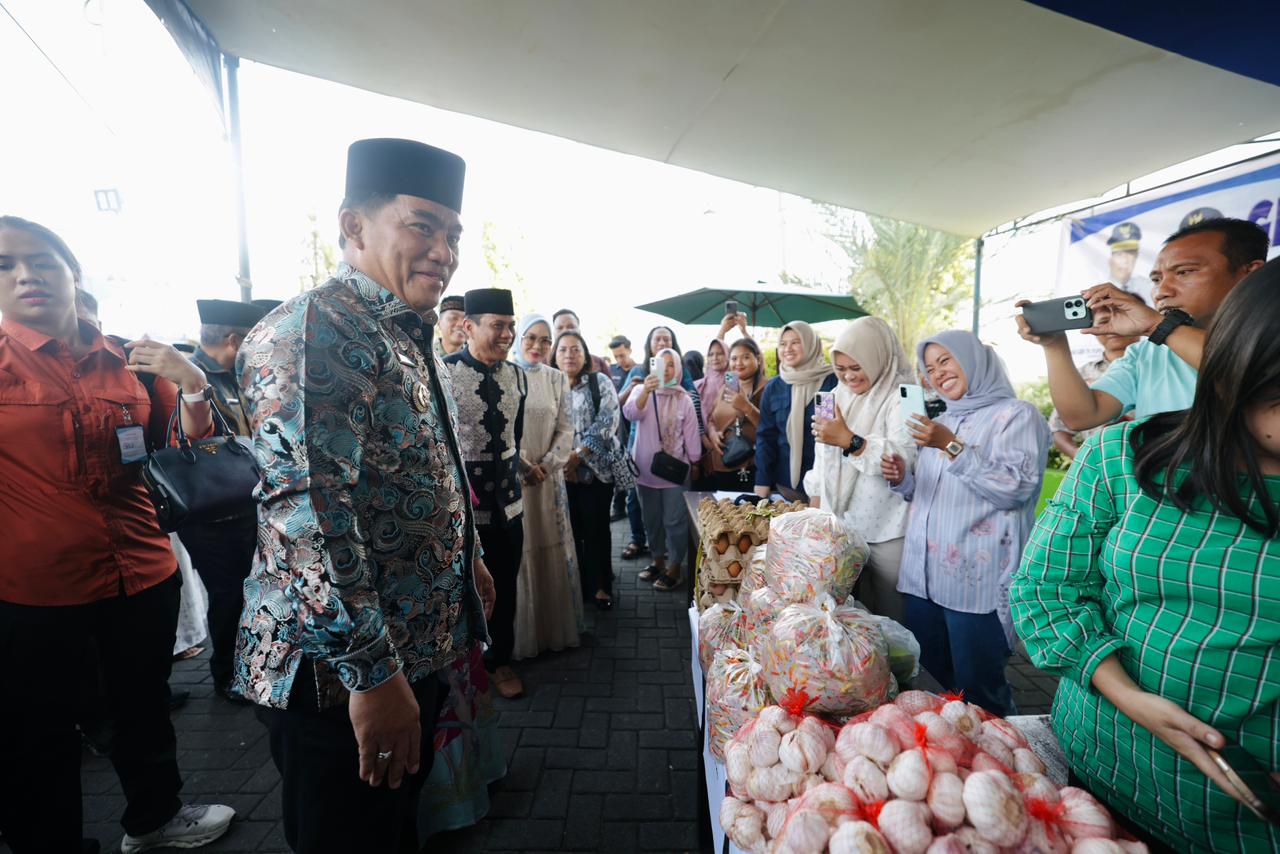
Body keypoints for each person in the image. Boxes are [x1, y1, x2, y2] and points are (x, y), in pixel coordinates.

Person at [232, 139, 496, 854]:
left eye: (453, 234)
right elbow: (308, 518)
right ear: (353, 227)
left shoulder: (403, 332)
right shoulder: (319, 329)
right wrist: (373, 676)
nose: (443, 250)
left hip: (404, 651)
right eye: (422, 225)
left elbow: (425, 466)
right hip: (336, 678)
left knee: (390, 829)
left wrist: (466, 561)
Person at [1011, 258, 1280, 853]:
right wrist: (1126, 694)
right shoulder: (1123, 455)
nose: (1165, 285)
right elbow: (1045, 588)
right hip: (1097, 772)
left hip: (1239, 829)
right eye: (1160, 273)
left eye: (1184, 271)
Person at [0, 216, 234, 853]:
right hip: (35, 588)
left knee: (143, 708)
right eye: (5, 265)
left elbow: (183, 448)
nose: (26, 275)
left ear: (73, 272)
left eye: (42, 260)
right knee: (37, 733)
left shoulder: (132, 357)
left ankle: (154, 820)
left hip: (141, 568)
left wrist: (192, 384)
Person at [880, 330, 1049, 715]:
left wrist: (949, 445)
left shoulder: (1017, 415)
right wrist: (903, 478)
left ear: (974, 359)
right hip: (924, 579)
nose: (937, 373)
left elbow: (1014, 488)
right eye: (930, 367)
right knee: (932, 684)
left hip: (974, 586)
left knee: (980, 695)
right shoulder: (943, 419)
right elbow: (931, 493)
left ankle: (1000, 768)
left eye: (946, 361)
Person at [1018, 217, 1267, 430]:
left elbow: (1245, 372)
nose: (1162, 291)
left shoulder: (1270, 339)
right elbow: (1082, 416)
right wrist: (1054, 346)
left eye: (1184, 272)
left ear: (1251, 274)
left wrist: (1157, 326)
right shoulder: (1146, 354)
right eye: (1157, 279)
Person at [182, 297, 272, 702]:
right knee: (228, 593)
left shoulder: (232, 374)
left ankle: (249, 666)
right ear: (236, 339)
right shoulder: (190, 379)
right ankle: (227, 675)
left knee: (246, 589)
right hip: (210, 512)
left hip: (242, 503)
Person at [444, 289, 527, 699]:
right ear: (468, 327)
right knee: (466, 591)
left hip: (509, 508)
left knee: (506, 589)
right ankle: (464, 665)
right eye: (498, 325)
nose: (508, 334)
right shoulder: (442, 374)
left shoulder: (518, 375)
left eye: (510, 326)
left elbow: (518, 437)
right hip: (463, 514)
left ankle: (501, 661)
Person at [806, 317, 915, 622]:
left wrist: (850, 441)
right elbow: (822, 455)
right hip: (838, 527)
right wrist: (814, 511)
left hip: (887, 530)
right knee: (842, 616)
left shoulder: (908, 396)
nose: (849, 377)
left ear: (878, 357)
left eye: (857, 367)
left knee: (891, 617)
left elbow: (907, 457)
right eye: (841, 369)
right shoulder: (832, 396)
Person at [511, 313, 583, 654]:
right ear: (518, 338)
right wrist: (524, 465)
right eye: (530, 338)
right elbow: (501, 431)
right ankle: (525, 637)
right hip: (517, 480)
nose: (538, 346)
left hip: (549, 480)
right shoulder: (506, 375)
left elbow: (567, 428)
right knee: (522, 549)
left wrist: (548, 464)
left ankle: (553, 631)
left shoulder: (557, 379)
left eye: (544, 340)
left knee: (550, 544)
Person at [553, 330, 633, 609]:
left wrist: (578, 455)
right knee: (571, 531)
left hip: (598, 472)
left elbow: (608, 421)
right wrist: (564, 461)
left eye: (575, 349)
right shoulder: (551, 383)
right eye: (563, 350)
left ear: (585, 354)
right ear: (555, 354)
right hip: (561, 471)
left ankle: (601, 587)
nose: (569, 355)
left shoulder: (599, 382)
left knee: (597, 528)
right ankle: (578, 586)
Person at [618, 325, 703, 559]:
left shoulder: (683, 397)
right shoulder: (641, 391)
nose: (666, 369)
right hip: (644, 471)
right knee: (651, 521)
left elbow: (692, 437)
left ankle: (675, 565)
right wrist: (645, 390)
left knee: (674, 522)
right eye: (661, 364)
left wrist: (695, 463)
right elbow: (630, 414)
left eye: (671, 364)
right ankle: (657, 561)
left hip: (675, 472)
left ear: (678, 368)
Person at [1047, 301, 1141, 462]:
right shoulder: (1079, 375)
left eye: (1121, 319)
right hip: (1104, 468)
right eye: (1104, 322)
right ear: (1093, 329)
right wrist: (1081, 456)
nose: (1114, 327)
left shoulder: (1163, 363)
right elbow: (1058, 428)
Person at [754, 320, 838, 500]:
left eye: (795, 342)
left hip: (827, 486)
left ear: (810, 344)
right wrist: (762, 480)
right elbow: (766, 437)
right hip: (787, 487)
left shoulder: (832, 382)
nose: (788, 349)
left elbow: (833, 435)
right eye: (783, 344)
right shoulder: (774, 387)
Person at [696, 337, 764, 491]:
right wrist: (712, 432)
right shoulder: (726, 387)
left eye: (746, 357)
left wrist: (747, 407)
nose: (739, 363)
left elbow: (769, 429)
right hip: (721, 465)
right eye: (734, 358)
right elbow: (712, 418)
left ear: (758, 359)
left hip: (747, 466)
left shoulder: (766, 387)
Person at [607, 334, 636, 520]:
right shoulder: (611, 371)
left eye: (622, 355)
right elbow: (611, 402)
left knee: (631, 469)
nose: (619, 360)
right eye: (616, 356)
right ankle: (618, 507)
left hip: (633, 426)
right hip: (615, 428)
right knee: (617, 467)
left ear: (630, 350)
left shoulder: (639, 370)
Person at [1105, 221, 1145, 294]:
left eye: (1130, 253)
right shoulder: (1097, 291)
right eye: (1119, 254)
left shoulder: (1149, 288)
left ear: (1136, 256)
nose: (1125, 260)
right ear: (1110, 259)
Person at [436, 292, 466, 357]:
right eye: (453, 318)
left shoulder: (476, 360)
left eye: (465, 320)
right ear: (439, 323)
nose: (461, 324)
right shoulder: (424, 354)